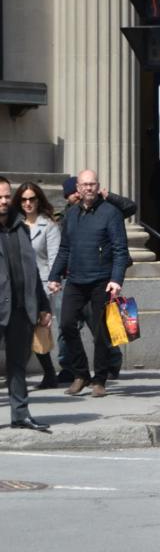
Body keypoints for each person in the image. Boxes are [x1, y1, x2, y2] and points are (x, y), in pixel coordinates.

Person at [47, 170, 129, 398]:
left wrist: (116, 280)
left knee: (102, 333)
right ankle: (81, 374)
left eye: (93, 184)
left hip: (102, 281)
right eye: (84, 185)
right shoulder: (71, 214)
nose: (89, 188)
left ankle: (100, 379)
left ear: (98, 186)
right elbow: (64, 249)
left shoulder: (111, 213)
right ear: (79, 189)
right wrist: (54, 276)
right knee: (65, 325)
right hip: (75, 279)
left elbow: (120, 249)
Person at [0, 176, 54, 430]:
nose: (3, 201)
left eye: (6, 196)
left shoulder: (20, 227)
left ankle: (20, 415)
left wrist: (43, 306)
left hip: (21, 308)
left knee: (18, 364)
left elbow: (32, 269)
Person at [16, 182, 61, 389]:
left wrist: (53, 283)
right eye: (24, 199)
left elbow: (54, 259)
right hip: (16, 284)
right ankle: (37, 374)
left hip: (40, 284)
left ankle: (47, 373)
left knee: (36, 330)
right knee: (20, 330)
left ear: (38, 200)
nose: (28, 203)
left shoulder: (48, 226)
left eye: (31, 199)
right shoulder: (13, 224)